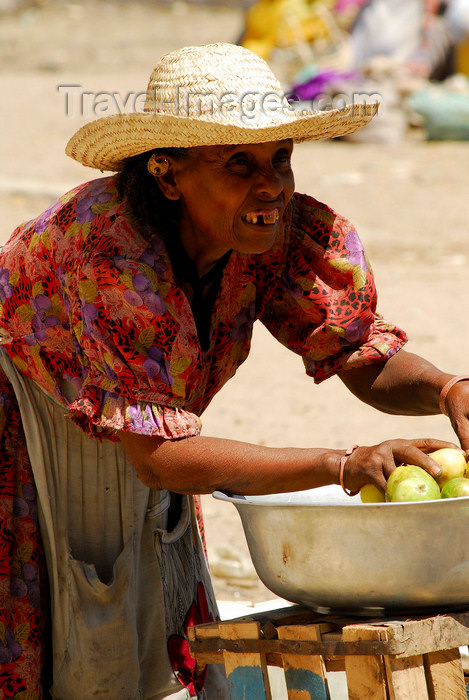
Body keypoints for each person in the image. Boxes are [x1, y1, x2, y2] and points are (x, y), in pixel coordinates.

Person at [0, 41, 468, 700]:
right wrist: (343, 462)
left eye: (280, 158)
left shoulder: (278, 235)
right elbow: (161, 458)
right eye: (238, 163)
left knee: (134, 622)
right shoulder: (109, 256)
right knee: (63, 623)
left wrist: (448, 387)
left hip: (142, 427)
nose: (271, 184)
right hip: (27, 418)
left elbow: (357, 352)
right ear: (167, 175)